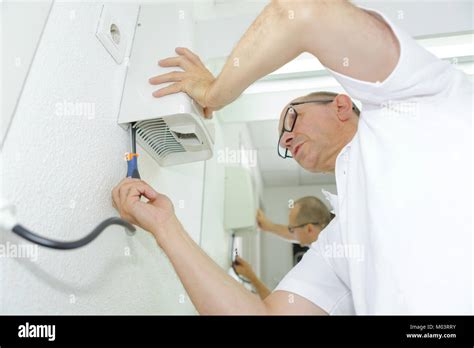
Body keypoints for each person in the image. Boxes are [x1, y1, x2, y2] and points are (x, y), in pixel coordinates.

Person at [112, 0, 471, 314]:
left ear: (342, 105)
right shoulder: (341, 242)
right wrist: (166, 227)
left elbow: (302, 11)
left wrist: (214, 92)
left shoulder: (413, 100)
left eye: (290, 118)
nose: (286, 138)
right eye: (283, 143)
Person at [256, 196, 333, 246]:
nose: (291, 232)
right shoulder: (323, 241)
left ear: (309, 229)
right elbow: (291, 234)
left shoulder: (328, 256)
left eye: (292, 229)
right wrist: (269, 226)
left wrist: (249, 272)